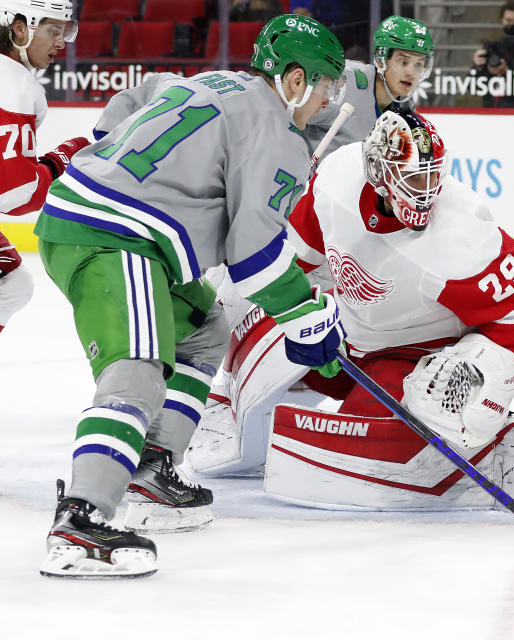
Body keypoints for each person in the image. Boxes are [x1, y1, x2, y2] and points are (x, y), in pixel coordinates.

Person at [36, 14, 347, 579]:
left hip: (104, 218)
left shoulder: (213, 82)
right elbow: (253, 253)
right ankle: (80, 521)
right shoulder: (278, 130)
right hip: (115, 237)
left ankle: (150, 468)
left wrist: (124, 166)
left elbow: (134, 99)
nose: (326, 103)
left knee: (205, 332)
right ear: (295, 80)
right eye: (325, 86)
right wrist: (307, 315)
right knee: (137, 371)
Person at [187, 109, 514, 512]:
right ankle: (226, 397)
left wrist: (478, 365)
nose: (426, 190)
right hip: (344, 339)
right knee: (251, 307)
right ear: (378, 173)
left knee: (360, 443)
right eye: (413, 178)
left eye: (432, 176)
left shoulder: (460, 236)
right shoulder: (337, 180)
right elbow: (290, 261)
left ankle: (493, 447)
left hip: (409, 359)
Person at [0, 0, 87, 336]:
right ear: (19, 28)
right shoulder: (13, 82)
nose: (61, 41)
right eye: (53, 30)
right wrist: (62, 160)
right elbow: (16, 193)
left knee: (12, 282)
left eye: (64, 30)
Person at [302, 15, 434, 162]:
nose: (411, 73)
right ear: (380, 59)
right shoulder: (343, 82)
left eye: (418, 64)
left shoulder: (405, 111)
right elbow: (289, 112)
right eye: (403, 62)